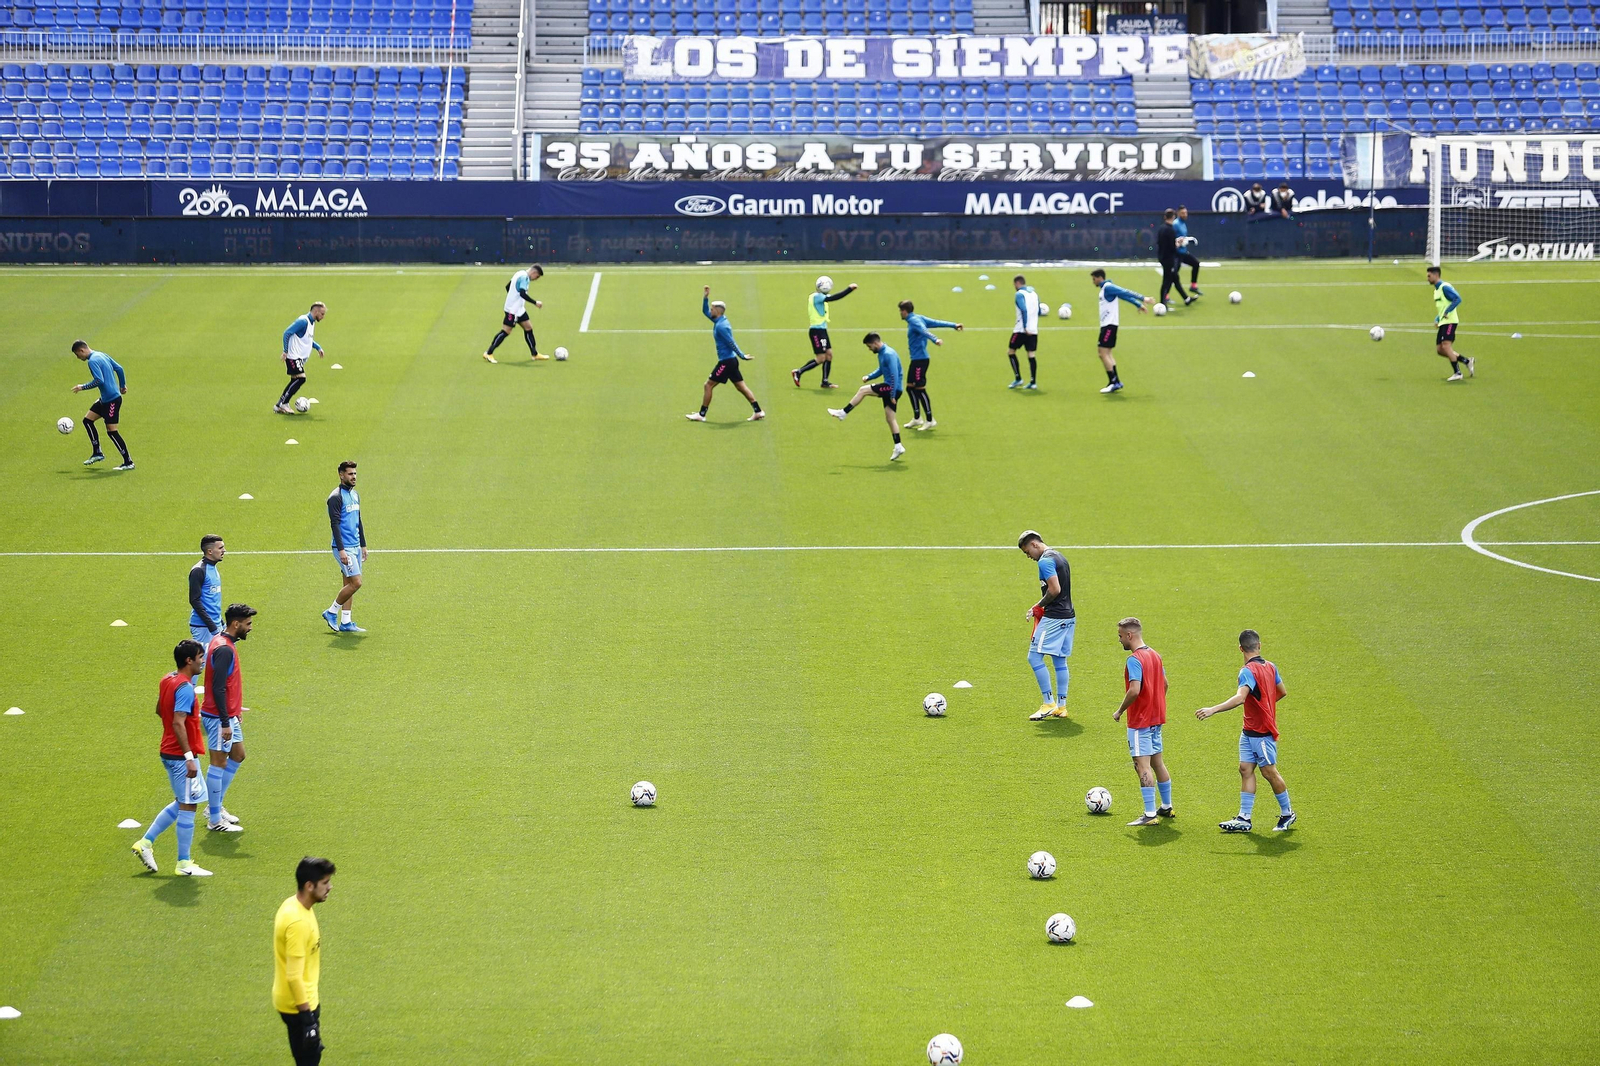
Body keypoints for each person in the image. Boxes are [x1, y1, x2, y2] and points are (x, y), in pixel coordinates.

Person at [1196, 629, 1297, 832]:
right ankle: (1244, 817)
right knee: (1245, 769)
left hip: (1262, 733)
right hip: (1249, 731)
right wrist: (1266, 705)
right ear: (1259, 645)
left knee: (1269, 772)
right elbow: (1282, 692)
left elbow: (1241, 697)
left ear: (1240, 648)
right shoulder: (1271, 667)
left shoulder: (1247, 671)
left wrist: (1213, 709)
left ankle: (1287, 813)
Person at [131, 639, 213, 877]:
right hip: (180, 756)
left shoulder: (167, 679)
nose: (202, 662)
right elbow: (178, 722)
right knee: (189, 805)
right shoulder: (186, 688)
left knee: (182, 801)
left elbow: (160, 710)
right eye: (200, 657)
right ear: (189, 660)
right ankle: (183, 863)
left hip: (168, 750)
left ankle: (145, 843)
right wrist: (188, 756)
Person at [275, 856, 336, 1066]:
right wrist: (308, 1020)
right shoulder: (298, 922)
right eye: (325, 883)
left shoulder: (293, 905)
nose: (330, 887)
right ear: (309, 886)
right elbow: (293, 976)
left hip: (296, 1003)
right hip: (299, 1007)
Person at [201, 603, 257, 833]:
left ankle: (215, 805)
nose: (250, 628)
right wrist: (225, 720)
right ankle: (214, 818)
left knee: (238, 754)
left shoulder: (224, 643)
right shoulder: (224, 649)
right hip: (217, 717)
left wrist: (235, 710)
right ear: (236, 624)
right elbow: (218, 687)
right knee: (219, 762)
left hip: (227, 713)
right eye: (248, 624)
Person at [1111, 617, 1173, 827]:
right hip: (1156, 720)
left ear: (1130, 635)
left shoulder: (1134, 660)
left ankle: (1149, 814)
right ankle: (1166, 806)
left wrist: (1120, 710)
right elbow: (1165, 684)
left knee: (1142, 766)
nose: (1119, 640)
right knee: (1158, 763)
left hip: (1140, 722)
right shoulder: (1155, 655)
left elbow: (1135, 689)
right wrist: (1156, 704)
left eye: (1120, 636)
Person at [1017, 531, 1074, 720]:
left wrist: (1038, 606)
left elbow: (1055, 589)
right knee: (1059, 661)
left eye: (1027, 552)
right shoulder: (1060, 557)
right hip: (1068, 616)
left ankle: (1048, 703)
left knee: (1033, 658)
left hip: (1054, 619)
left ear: (1034, 545)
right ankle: (1062, 706)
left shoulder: (1045, 561)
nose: (1029, 557)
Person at [687, 287, 764, 423]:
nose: (710, 311)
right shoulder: (719, 321)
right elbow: (704, 311)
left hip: (726, 362)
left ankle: (702, 414)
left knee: (708, 385)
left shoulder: (721, 327)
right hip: (730, 361)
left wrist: (742, 355)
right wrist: (705, 298)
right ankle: (758, 411)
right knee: (741, 387)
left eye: (712, 309)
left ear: (717, 311)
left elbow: (731, 343)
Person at [827, 333, 906, 462]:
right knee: (890, 418)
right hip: (892, 388)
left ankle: (843, 413)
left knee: (863, 390)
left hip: (892, 387)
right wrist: (869, 377)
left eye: (869, 347)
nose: (869, 349)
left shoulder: (888, 354)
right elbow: (881, 370)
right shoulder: (882, 353)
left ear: (875, 343)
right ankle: (898, 446)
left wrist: (892, 395)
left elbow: (894, 376)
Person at [69, 340, 133, 470]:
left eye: (77, 355)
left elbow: (99, 380)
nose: (78, 358)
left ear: (81, 350)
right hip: (105, 399)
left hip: (112, 401)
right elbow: (119, 368)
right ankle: (97, 452)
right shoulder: (101, 354)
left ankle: (128, 462)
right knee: (87, 420)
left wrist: (83, 387)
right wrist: (122, 385)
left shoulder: (92, 361)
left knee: (112, 431)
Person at [899, 299, 962, 428]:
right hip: (916, 359)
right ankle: (917, 418)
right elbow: (936, 322)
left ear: (904, 311)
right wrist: (953, 325)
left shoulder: (914, 321)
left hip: (920, 360)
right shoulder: (918, 317)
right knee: (910, 388)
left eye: (900, 311)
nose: (900, 313)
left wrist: (935, 339)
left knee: (920, 389)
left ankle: (929, 419)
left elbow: (924, 331)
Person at [1090, 269, 1151, 394]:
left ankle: (1114, 382)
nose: (1093, 282)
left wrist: (1142, 298)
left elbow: (1125, 291)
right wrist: (1137, 304)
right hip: (1107, 325)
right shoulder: (1105, 289)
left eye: (1094, 279)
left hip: (1109, 326)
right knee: (1107, 353)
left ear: (1100, 277)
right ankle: (1115, 381)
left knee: (1102, 353)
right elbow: (1124, 296)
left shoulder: (1108, 287)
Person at [324, 461, 368, 633]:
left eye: (355, 473)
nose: (354, 477)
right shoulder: (336, 497)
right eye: (350, 474)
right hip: (344, 548)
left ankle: (346, 622)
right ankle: (331, 611)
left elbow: (358, 521)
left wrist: (363, 545)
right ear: (341, 475)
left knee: (348, 583)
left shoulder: (355, 495)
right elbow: (334, 524)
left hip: (355, 546)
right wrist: (341, 550)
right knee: (356, 583)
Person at [792, 277, 858, 388]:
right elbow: (834, 298)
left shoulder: (817, 296)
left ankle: (825, 381)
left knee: (829, 355)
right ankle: (798, 372)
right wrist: (849, 289)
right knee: (821, 358)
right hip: (816, 331)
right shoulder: (818, 297)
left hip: (822, 331)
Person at [483, 264, 546, 363]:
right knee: (506, 331)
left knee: (528, 327)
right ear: (534, 273)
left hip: (519, 309)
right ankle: (488, 353)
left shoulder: (519, 273)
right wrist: (535, 303)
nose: (536, 279)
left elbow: (508, 286)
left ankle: (535, 354)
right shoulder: (524, 278)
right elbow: (522, 293)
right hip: (512, 311)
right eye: (537, 277)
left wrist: (512, 297)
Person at [276, 302, 325, 414]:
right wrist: (285, 351)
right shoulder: (303, 321)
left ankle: (279, 404)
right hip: (293, 356)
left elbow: (307, 340)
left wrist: (318, 347)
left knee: (295, 380)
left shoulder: (311, 323)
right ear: (316, 311)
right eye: (322, 314)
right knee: (301, 378)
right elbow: (287, 333)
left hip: (298, 358)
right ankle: (284, 404)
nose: (323, 317)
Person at [1428, 266, 1474, 381]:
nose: (1427, 278)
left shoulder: (1445, 287)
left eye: (1429, 276)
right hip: (1444, 322)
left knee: (1446, 345)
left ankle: (1457, 373)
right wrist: (1438, 318)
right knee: (1440, 350)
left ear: (1436, 275)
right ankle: (1466, 361)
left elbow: (1457, 299)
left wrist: (1447, 312)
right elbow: (1442, 306)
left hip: (1450, 321)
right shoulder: (1436, 290)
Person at [189, 534, 226, 645]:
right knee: (204, 661)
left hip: (215, 625)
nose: (224, 550)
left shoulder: (213, 568)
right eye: (220, 548)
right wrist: (213, 628)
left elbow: (212, 601)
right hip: (203, 627)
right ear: (210, 551)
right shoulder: (199, 570)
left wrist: (221, 623)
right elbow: (194, 600)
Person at [1007, 274, 1042, 389]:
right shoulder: (1034, 293)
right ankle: (1033, 382)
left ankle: (1018, 378)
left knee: (1011, 352)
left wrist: (1026, 326)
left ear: (1017, 283)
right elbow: (1039, 311)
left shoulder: (1019, 294)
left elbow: (1023, 309)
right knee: (1031, 354)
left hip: (1021, 329)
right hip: (1034, 329)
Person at [1156, 210, 1194, 309]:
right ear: (1173, 217)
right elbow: (1172, 247)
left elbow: (1161, 243)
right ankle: (1162, 303)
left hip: (1162, 257)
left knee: (1175, 279)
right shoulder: (1170, 230)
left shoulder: (1161, 228)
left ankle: (1186, 299)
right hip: (1169, 259)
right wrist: (1179, 244)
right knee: (1167, 281)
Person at [1174, 205, 1202, 297]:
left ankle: (1193, 286)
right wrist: (1179, 242)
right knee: (1173, 275)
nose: (1185, 214)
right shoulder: (1176, 224)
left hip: (1183, 253)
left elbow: (1183, 237)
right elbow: (1171, 237)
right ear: (1178, 213)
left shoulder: (1183, 223)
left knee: (1196, 264)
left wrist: (1188, 239)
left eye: (1186, 213)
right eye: (1182, 213)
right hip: (1176, 254)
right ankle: (1166, 296)